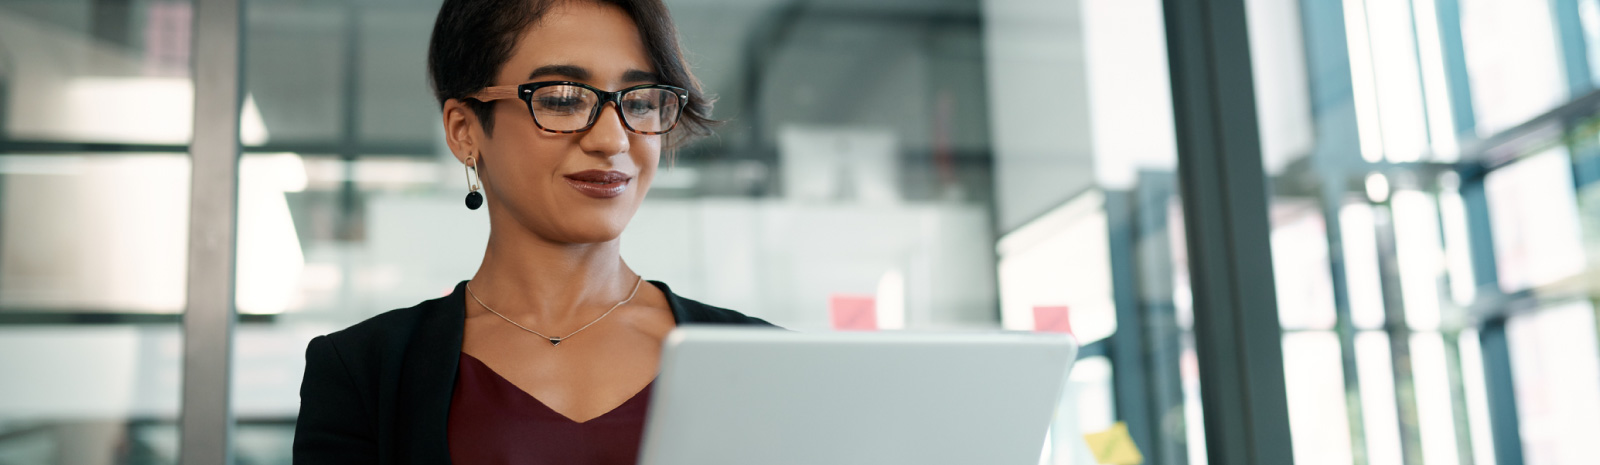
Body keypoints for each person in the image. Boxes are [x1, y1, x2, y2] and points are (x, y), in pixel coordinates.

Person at [292, 0, 774, 463]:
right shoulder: (363, 372)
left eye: (642, 102)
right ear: (464, 130)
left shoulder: (766, 363)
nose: (612, 139)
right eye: (563, 99)